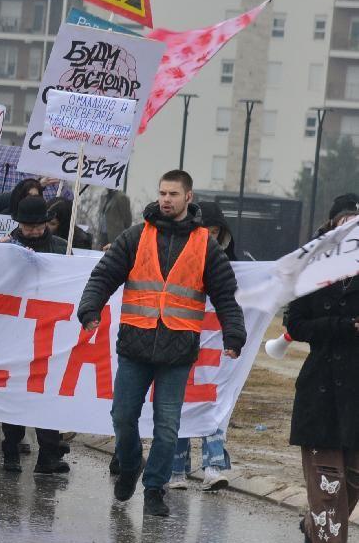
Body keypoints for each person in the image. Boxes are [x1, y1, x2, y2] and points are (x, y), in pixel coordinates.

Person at [77, 170, 246, 519]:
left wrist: (234, 334)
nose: (166, 199)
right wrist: (90, 308)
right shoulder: (136, 236)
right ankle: (130, 465)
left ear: (189, 197)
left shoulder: (205, 245)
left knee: (167, 428)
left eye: (173, 194)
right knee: (122, 416)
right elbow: (104, 275)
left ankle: (155, 488)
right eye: (162, 193)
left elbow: (226, 296)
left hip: (178, 350)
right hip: (135, 345)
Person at [289, 196, 358, 543]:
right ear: (332, 225)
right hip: (321, 389)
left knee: (353, 480)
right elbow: (296, 324)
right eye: (345, 220)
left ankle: (312, 525)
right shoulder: (312, 266)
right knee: (327, 480)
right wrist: (345, 326)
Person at [0, 195, 75, 475]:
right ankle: (11, 450)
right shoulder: (7, 248)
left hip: (50, 330)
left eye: (37, 226)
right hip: (15, 330)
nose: (32, 231)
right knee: (15, 393)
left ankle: (49, 454)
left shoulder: (61, 248)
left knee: (48, 393)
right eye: (27, 227)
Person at [168, 199, 238, 491]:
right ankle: (176, 469)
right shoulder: (175, 256)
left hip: (217, 345)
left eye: (215, 232)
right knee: (181, 403)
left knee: (214, 402)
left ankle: (213, 466)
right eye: (204, 231)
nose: (210, 237)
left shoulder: (233, 267)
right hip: (181, 339)